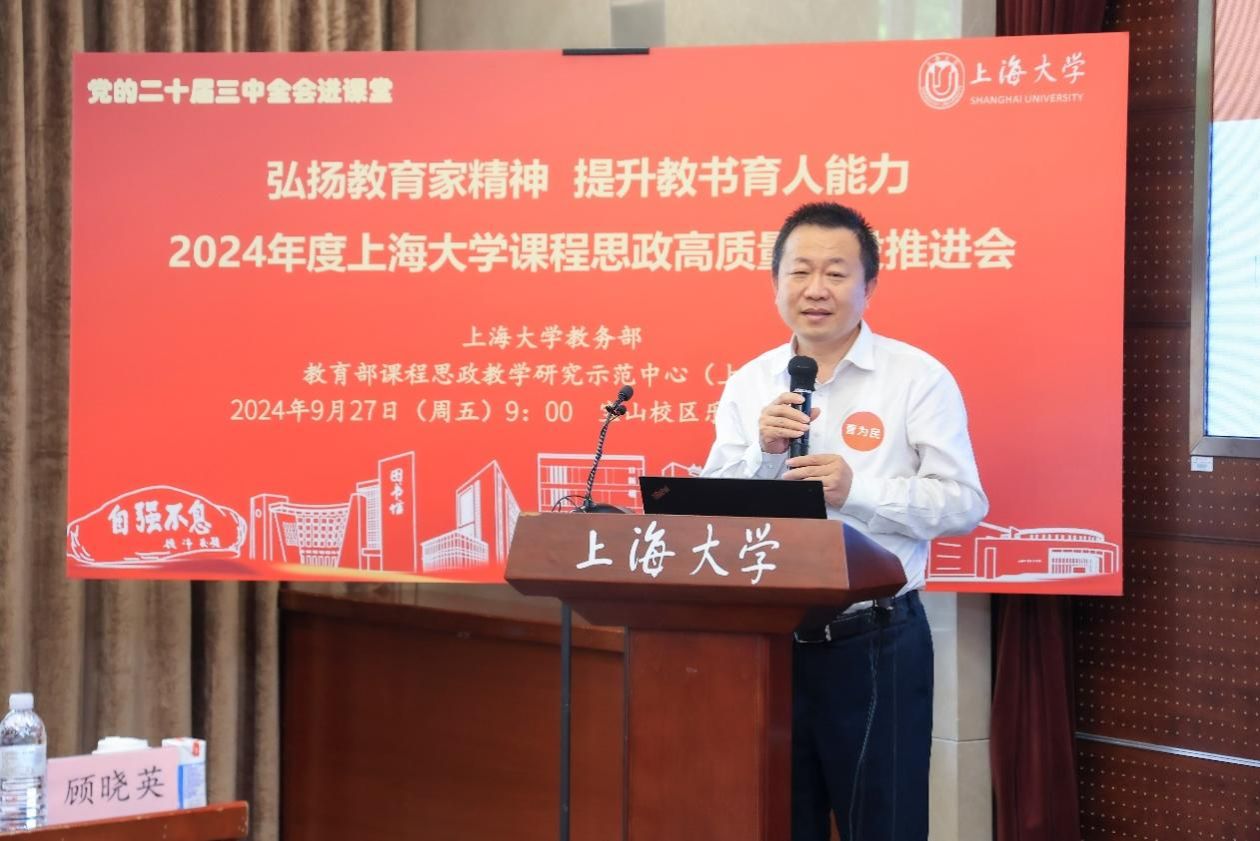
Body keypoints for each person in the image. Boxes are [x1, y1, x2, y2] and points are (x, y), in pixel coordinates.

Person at [701, 202, 988, 841]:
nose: (816, 289)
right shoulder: (750, 383)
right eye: (800, 271)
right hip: (765, 639)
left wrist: (858, 491)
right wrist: (763, 455)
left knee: (883, 824)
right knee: (774, 820)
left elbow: (964, 503)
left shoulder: (917, 378)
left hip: (876, 640)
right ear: (775, 282)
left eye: (835, 273)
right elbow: (715, 512)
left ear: (869, 286)